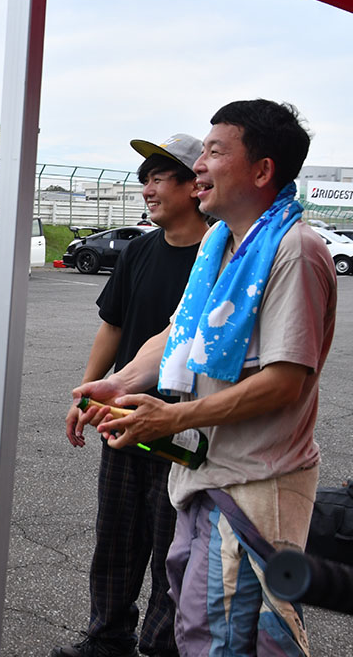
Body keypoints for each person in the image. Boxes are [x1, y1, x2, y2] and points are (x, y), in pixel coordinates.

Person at [73, 100, 335, 656]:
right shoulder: (221, 247)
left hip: (255, 484)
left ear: (262, 171)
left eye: (216, 152)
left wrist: (175, 416)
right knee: (197, 627)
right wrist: (121, 384)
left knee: (229, 638)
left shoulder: (294, 250)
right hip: (203, 474)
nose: (199, 166)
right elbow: (177, 335)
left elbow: (285, 381)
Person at [54, 133, 210, 657]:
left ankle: (161, 646)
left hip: (182, 425)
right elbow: (113, 326)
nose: (147, 189)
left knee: (172, 546)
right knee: (116, 538)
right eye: (145, 180)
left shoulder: (219, 255)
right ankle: (108, 637)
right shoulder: (140, 250)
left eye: (159, 178)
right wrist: (85, 393)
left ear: (193, 186)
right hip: (122, 417)